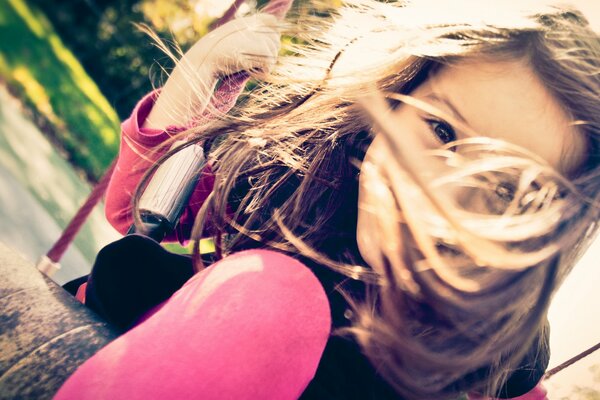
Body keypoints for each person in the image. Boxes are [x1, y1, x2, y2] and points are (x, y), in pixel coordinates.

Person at [57, 0, 600, 399]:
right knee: (276, 296)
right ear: (399, 97)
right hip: (186, 343)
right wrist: (192, 85)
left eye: (507, 187)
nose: (442, 192)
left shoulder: (504, 335)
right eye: (440, 130)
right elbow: (137, 210)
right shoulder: (303, 173)